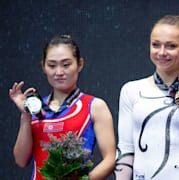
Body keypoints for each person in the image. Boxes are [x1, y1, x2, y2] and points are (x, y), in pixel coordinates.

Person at [114, 15, 179, 180]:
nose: (162, 52)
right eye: (156, 45)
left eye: (171, 46)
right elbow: (125, 149)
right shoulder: (131, 90)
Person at [9, 35, 116, 180]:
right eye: (52, 66)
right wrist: (25, 115)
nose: (59, 72)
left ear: (80, 64)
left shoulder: (95, 106)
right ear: (44, 67)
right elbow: (21, 161)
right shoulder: (35, 109)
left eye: (66, 65)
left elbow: (110, 159)